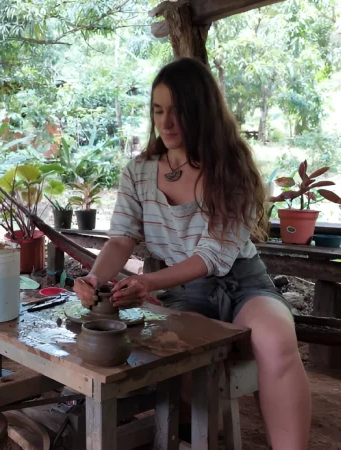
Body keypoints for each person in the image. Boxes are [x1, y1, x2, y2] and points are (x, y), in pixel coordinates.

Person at [73, 58, 310, 450]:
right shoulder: (138, 172)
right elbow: (120, 240)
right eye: (158, 110)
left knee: (276, 339)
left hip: (244, 282)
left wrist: (147, 282)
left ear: (201, 111)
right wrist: (96, 279)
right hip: (185, 292)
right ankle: (195, 438)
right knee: (177, 357)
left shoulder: (231, 169)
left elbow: (212, 256)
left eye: (177, 110)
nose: (166, 123)